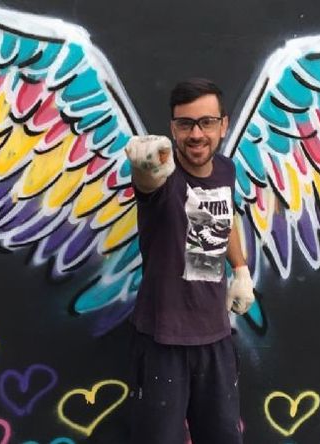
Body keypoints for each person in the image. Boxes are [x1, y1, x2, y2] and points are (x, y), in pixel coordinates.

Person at [124, 78, 255, 444]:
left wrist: (241, 271)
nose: (196, 134)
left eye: (207, 122)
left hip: (215, 338)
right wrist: (145, 166)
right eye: (185, 124)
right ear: (173, 128)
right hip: (162, 339)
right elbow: (148, 181)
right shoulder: (164, 177)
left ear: (223, 125)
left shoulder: (226, 170)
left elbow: (222, 217)